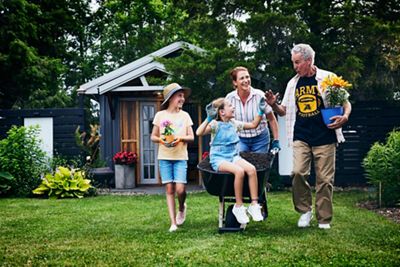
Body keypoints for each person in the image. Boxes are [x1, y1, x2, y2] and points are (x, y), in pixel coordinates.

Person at [265, 43, 352, 229]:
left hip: (325, 136)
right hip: (301, 135)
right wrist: (273, 104)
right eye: (293, 63)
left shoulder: (328, 78)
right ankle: (305, 210)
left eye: (297, 62)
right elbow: (283, 111)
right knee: (297, 172)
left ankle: (324, 218)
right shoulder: (293, 83)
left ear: (309, 60)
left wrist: (344, 117)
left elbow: (346, 103)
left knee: (325, 179)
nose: (295, 67)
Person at [196, 97, 266, 224]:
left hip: (233, 156)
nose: (233, 107)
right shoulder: (215, 125)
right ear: (221, 112)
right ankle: (238, 206)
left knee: (251, 169)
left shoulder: (234, 124)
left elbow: (253, 125)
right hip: (218, 158)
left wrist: (261, 112)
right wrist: (209, 118)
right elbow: (199, 132)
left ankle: (254, 205)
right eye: (230, 106)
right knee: (239, 172)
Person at [151, 83, 194, 232]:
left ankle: (182, 207)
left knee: (180, 190)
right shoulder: (160, 115)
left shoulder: (185, 116)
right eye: (179, 96)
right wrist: (162, 140)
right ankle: (173, 223)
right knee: (170, 189)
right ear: (170, 98)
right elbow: (153, 136)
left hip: (181, 156)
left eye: (183, 96)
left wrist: (180, 138)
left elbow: (191, 137)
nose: (182, 98)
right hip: (164, 156)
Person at [226, 66, 280, 152]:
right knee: (240, 164)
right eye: (241, 78)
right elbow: (226, 121)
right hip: (240, 139)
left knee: (259, 165)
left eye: (247, 77)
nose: (246, 80)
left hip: (260, 138)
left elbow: (272, 119)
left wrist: (276, 140)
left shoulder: (260, 96)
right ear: (235, 82)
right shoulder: (229, 98)